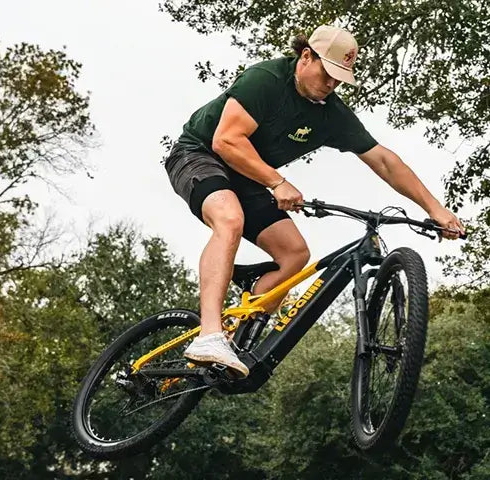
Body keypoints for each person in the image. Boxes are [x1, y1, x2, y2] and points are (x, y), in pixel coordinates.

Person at [163, 25, 465, 378]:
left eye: (340, 79)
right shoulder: (266, 80)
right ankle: (209, 333)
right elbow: (227, 141)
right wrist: (277, 182)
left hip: (248, 177)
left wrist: (435, 209)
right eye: (327, 74)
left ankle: (237, 329)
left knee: (295, 254)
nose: (331, 84)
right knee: (230, 219)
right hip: (199, 155)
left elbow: (384, 160)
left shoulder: (331, 114)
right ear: (306, 56)